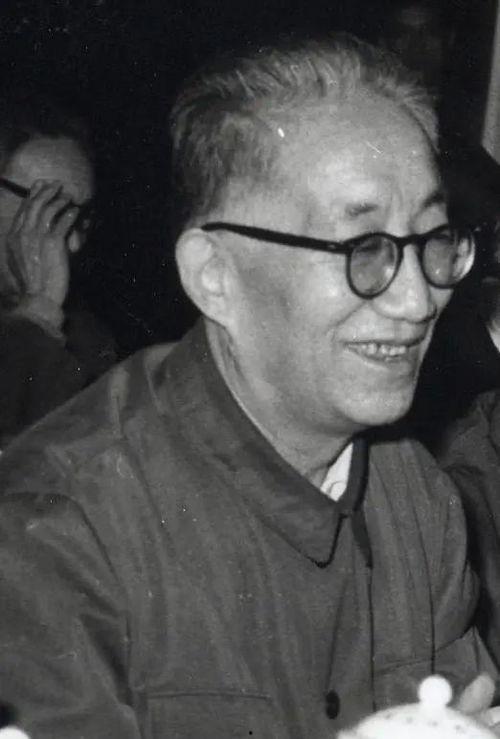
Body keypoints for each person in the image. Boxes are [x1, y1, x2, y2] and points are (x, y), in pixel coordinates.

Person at [0, 34, 496, 738]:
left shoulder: (419, 500)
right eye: (362, 249)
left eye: (434, 239)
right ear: (215, 276)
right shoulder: (55, 533)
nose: (417, 299)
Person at [0, 93, 116, 446]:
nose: (74, 243)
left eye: (81, 218)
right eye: (50, 210)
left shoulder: (85, 340)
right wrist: (36, 315)